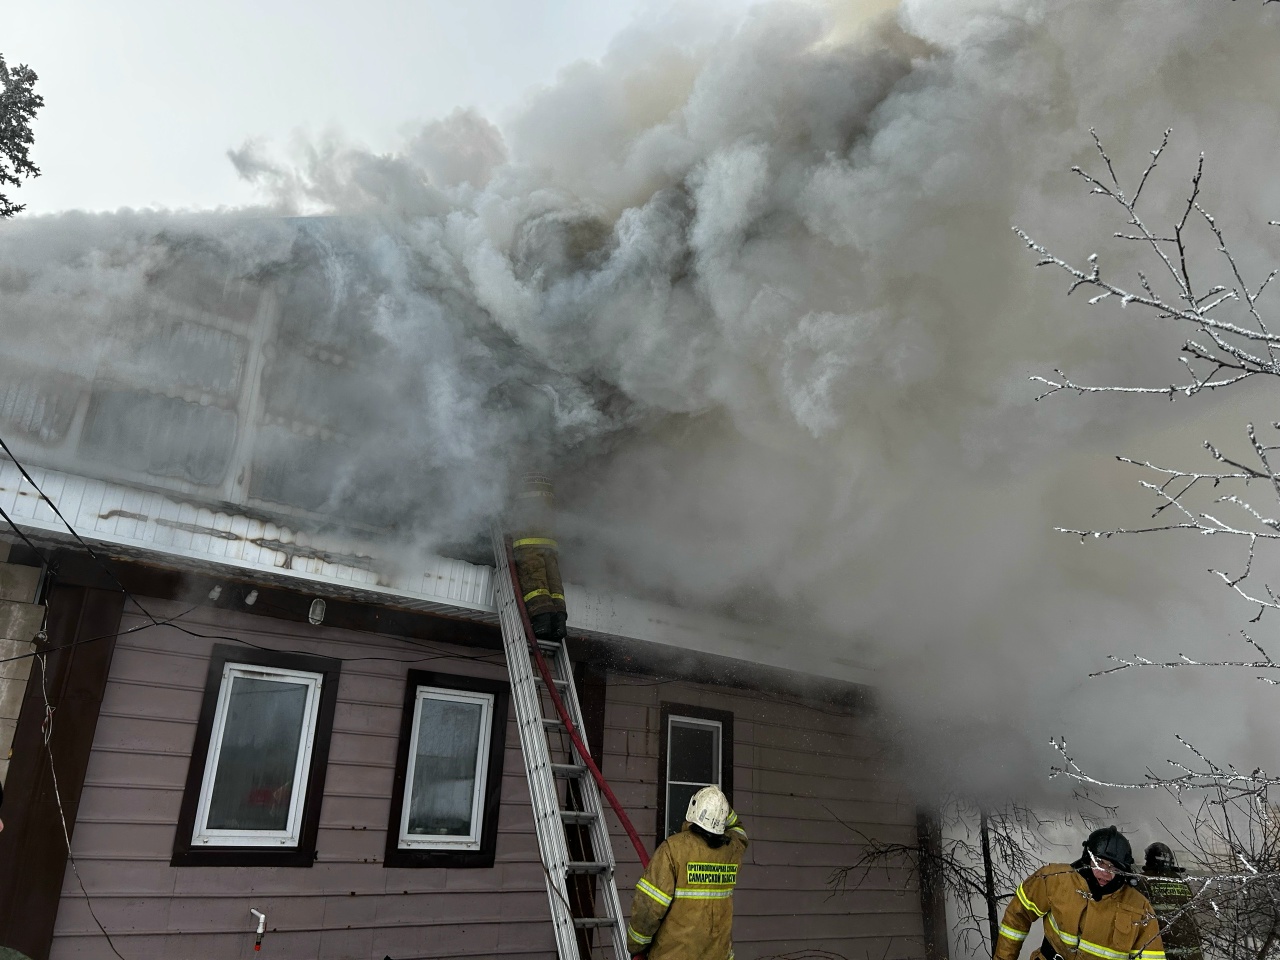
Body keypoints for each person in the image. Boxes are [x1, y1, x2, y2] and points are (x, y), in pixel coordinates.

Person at [994, 826, 1165, 960]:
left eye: (1113, 867)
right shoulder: (1055, 879)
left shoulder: (1139, 908)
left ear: (1123, 869)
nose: (1104, 872)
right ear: (1086, 858)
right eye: (1098, 862)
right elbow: (1017, 915)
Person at [627, 785, 748, 960]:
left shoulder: (673, 849)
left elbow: (649, 906)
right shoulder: (732, 850)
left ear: (693, 810)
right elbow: (738, 829)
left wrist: (636, 945)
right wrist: (723, 809)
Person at [1135, 843, 1202, 960]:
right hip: (1192, 953)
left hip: (1164, 953)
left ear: (1148, 860)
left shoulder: (1143, 881)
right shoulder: (1182, 882)